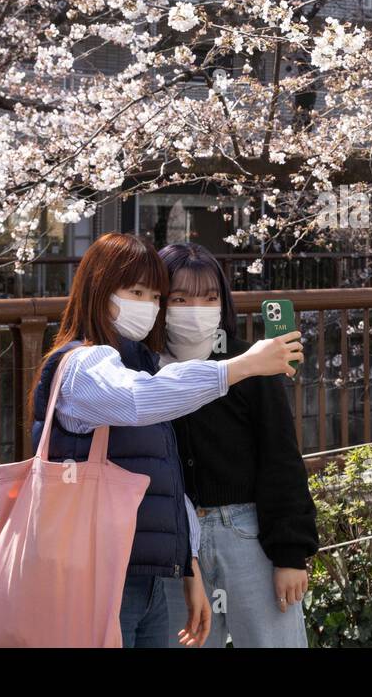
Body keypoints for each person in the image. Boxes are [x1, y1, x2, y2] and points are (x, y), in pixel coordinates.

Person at [27, 232, 302, 648]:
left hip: (178, 553)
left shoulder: (139, 361)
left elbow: (275, 460)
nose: (149, 306)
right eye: (140, 293)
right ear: (100, 289)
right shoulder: (100, 363)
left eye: (155, 296)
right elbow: (139, 399)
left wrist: (288, 552)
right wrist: (238, 368)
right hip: (113, 562)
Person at [157, 242, 318, 648]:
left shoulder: (253, 361)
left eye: (209, 298)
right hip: (176, 542)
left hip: (247, 532)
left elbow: (281, 457)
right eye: (180, 298)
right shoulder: (142, 372)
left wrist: (289, 555)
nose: (197, 309)